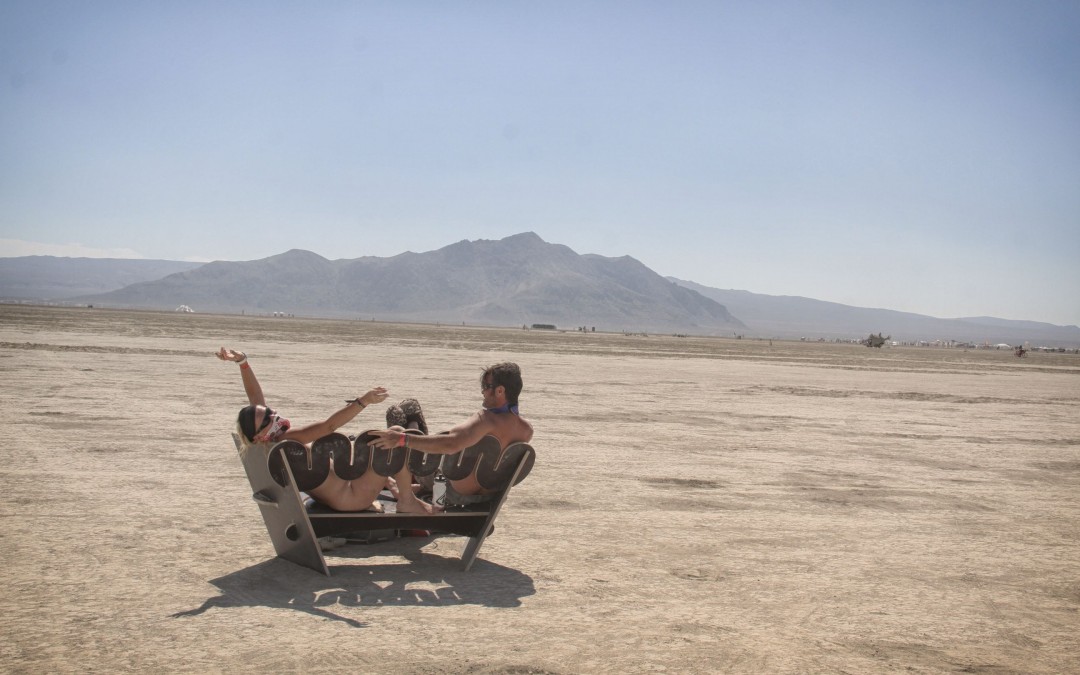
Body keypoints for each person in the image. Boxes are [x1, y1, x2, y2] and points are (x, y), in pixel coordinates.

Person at [217, 347, 391, 512]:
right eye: (265, 421)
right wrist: (364, 401)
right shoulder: (287, 441)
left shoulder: (264, 444)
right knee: (393, 437)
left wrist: (243, 362)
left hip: (336, 496)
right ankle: (406, 498)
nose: (272, 416)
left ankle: (394, 485)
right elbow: (329, 426)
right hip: (354, 497)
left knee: (355, 444)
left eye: (269, 412)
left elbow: (255, 397)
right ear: (258, 436)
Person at [369, 362, 533, 514]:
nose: (482, 391)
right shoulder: (526, 430)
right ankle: (402, 479)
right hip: (488, 498)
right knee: (417, 429)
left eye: (486, 386)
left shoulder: (486, 419)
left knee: (397, 426)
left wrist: (401, 439)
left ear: (500, 391)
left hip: (447, 490)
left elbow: (450, 444)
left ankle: (403, 495)